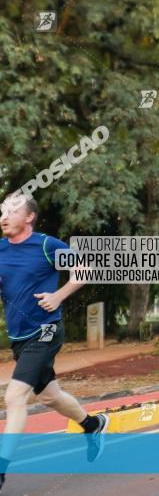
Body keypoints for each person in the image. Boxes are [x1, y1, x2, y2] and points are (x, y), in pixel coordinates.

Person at [0, 193, 110, 492]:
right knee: (49, 396)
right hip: (20, 338)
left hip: (47, 330)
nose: (4, 216)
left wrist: (58, 296)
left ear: (29, 217)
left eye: (11, 210)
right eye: (2, 211)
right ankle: (92, 425)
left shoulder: (47, 245)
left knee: (15, 397)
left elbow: (84, 269)